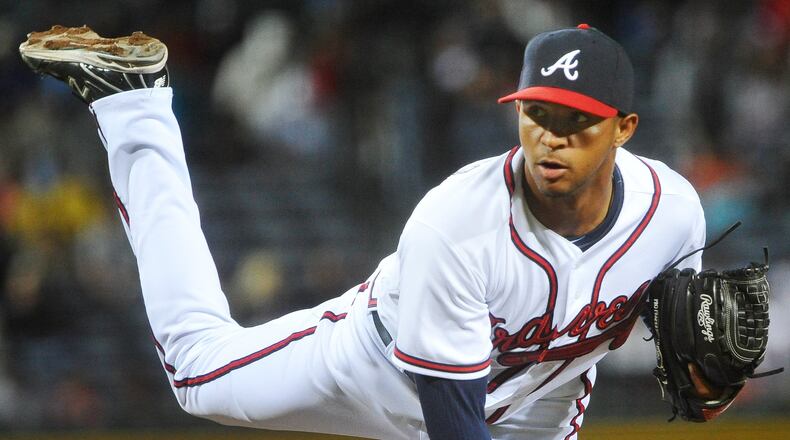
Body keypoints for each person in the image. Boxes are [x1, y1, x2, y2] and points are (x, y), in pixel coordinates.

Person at [19, 24, 708, 439]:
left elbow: (695, 369)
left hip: (534, 401)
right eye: (538, 115)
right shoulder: (457, 224)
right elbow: (455, 420)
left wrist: (714, 385)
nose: (550, 140)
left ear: (625, 129)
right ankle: (133, 102)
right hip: (378, 370)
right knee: (197, 374)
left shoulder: (673, 217)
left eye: (576, 121)